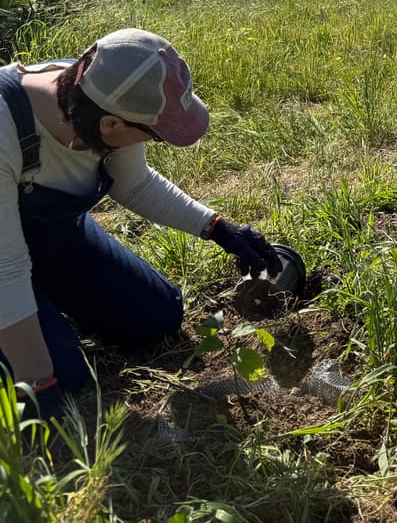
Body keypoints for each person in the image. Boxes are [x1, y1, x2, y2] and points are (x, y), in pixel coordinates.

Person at [0, 28, 282, 419]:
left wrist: (217, 227)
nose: (155, 143)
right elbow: (6, 271)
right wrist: (38, 380)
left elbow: (135, 184)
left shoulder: (95, 96)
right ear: (111, 126)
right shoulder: (5, 128)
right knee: (62, 381)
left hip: (48, 241)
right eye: (153, 135)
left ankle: (46, 299)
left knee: (157, 316)